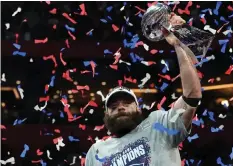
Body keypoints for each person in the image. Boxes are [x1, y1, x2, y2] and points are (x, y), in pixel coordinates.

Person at [85, 13, 202, 166]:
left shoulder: (158, 125)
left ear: (138, 108)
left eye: (126, 103)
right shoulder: (96, 152)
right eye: (113, 106)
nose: (120, 107)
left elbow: (191, 96)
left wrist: (178, 45)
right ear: (106, 115)